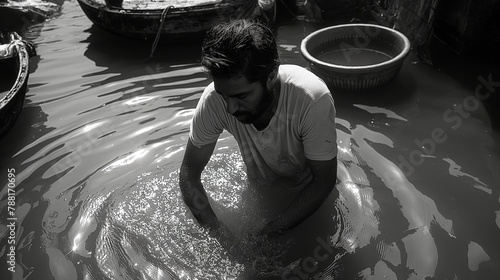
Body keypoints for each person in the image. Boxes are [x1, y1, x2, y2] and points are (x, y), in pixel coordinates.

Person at [179, 19, 338, 242]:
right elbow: (189, 175)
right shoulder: (213, 101)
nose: (230, 108)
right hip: (260, 190)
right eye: (224, 95)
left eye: (241, 96)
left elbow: (323, 181)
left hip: (308, 194)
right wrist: (220, 234)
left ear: (271, 76)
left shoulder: (311, 99)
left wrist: (272, 231)